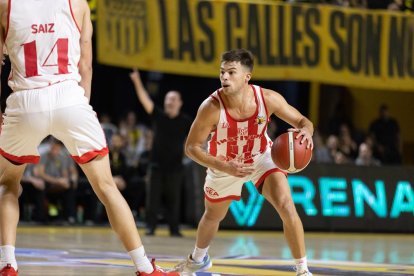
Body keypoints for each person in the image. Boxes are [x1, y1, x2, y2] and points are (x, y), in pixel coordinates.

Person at [0, 0, 178, 275]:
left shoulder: (6, 5)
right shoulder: (78, 4)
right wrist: (82, 111)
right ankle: (144, 267)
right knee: (106, 187)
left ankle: (7, 264)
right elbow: (86, 67)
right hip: (70, 98)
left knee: (9, 184)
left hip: (25, 101)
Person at [172, 49, 314, 276]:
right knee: (212, 216)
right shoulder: (210, 107)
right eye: (222, 72)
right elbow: (191, 148)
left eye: (231, 72)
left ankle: (303, 270)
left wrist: (307, 130)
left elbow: (302, 120)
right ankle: (198, 259)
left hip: (261, 157)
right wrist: (224, 166)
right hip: (224, 163)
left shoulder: (267, 99)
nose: (224, 77)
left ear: (247, 76)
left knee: (287, 206)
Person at [129, 69, 192, 237]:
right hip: (156, 165)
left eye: (173, 99)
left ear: (180, 102)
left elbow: (194, 138)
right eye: (168, 99)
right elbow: (144, 99)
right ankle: (150, 227)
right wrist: (136, 80)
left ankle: (174, 229)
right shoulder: (158, 116)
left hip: (175, 167)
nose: (170, 102)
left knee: (174, 200)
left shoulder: (185, 121)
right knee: (152, 199)